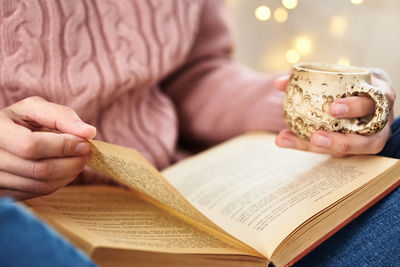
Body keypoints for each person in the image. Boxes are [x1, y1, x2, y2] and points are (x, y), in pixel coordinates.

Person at [0, 0, 398, 266]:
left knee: (393, 133)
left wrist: (309, 110)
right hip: (24, 214)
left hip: (169, 192)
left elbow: (192, 74)